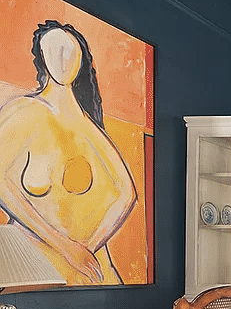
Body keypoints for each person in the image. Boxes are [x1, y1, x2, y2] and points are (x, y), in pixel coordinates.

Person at [0, 20, 137, 284]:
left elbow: (127, 193)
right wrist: (65, 247)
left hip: (88, 274)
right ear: (42, 57)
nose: (62, 57)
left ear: (81, 59)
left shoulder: (88, 127)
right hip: (36, 270)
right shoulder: (24, 112)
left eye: (70, 50)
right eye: (54, 49)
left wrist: (87, 248)